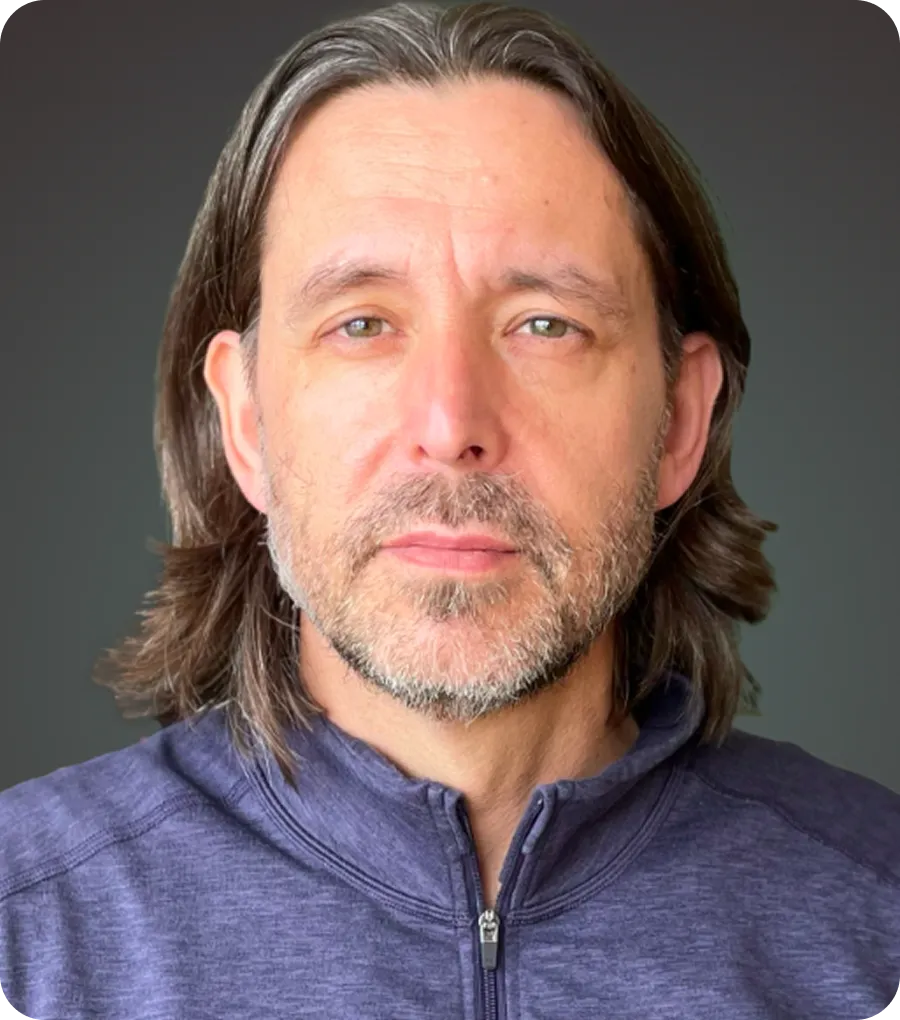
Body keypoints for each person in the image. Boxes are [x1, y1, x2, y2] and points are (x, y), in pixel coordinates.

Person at [2, 2, 898, 1017]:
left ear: (681, 422)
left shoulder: (881, 926)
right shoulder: (21, 935)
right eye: (363, 323)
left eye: (546, 325)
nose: (451, 422)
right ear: (246, 419)